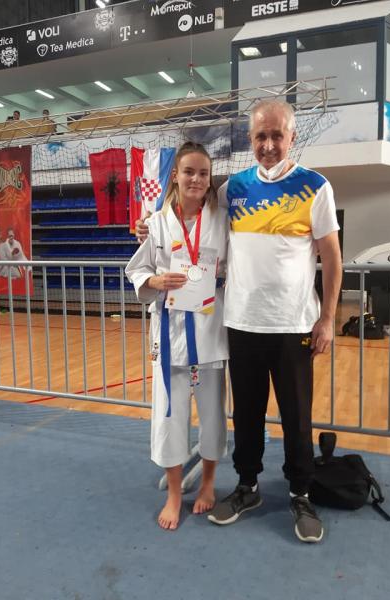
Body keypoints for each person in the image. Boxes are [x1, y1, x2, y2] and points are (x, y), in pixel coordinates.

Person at [136, 100, 342, 543]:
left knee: (296, 417)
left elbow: (331, 257)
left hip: (293, 324)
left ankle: (301, 492)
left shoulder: (315, 186)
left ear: (291, 137)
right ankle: (247, 486)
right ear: (250, 139)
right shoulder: (234, 189)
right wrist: (149, 226)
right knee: (246, 415)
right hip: (242, 323)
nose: (268, 145)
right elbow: (190, 211)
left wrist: (327, 318)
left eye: (277, 135)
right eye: (260, 136)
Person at [126, 142, 229, 531]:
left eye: (203, 173)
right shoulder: (155, 223)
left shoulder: (222, 219)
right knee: (169, 416)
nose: (196, 179)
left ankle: (208, 484)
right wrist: (155, 281)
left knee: (213, 415)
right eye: (189, 172)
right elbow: (137, 271)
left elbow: (238, 263)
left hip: (210, 331)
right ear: (175, 175)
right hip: (169, 334)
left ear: (210, 178)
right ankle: (173, 493)